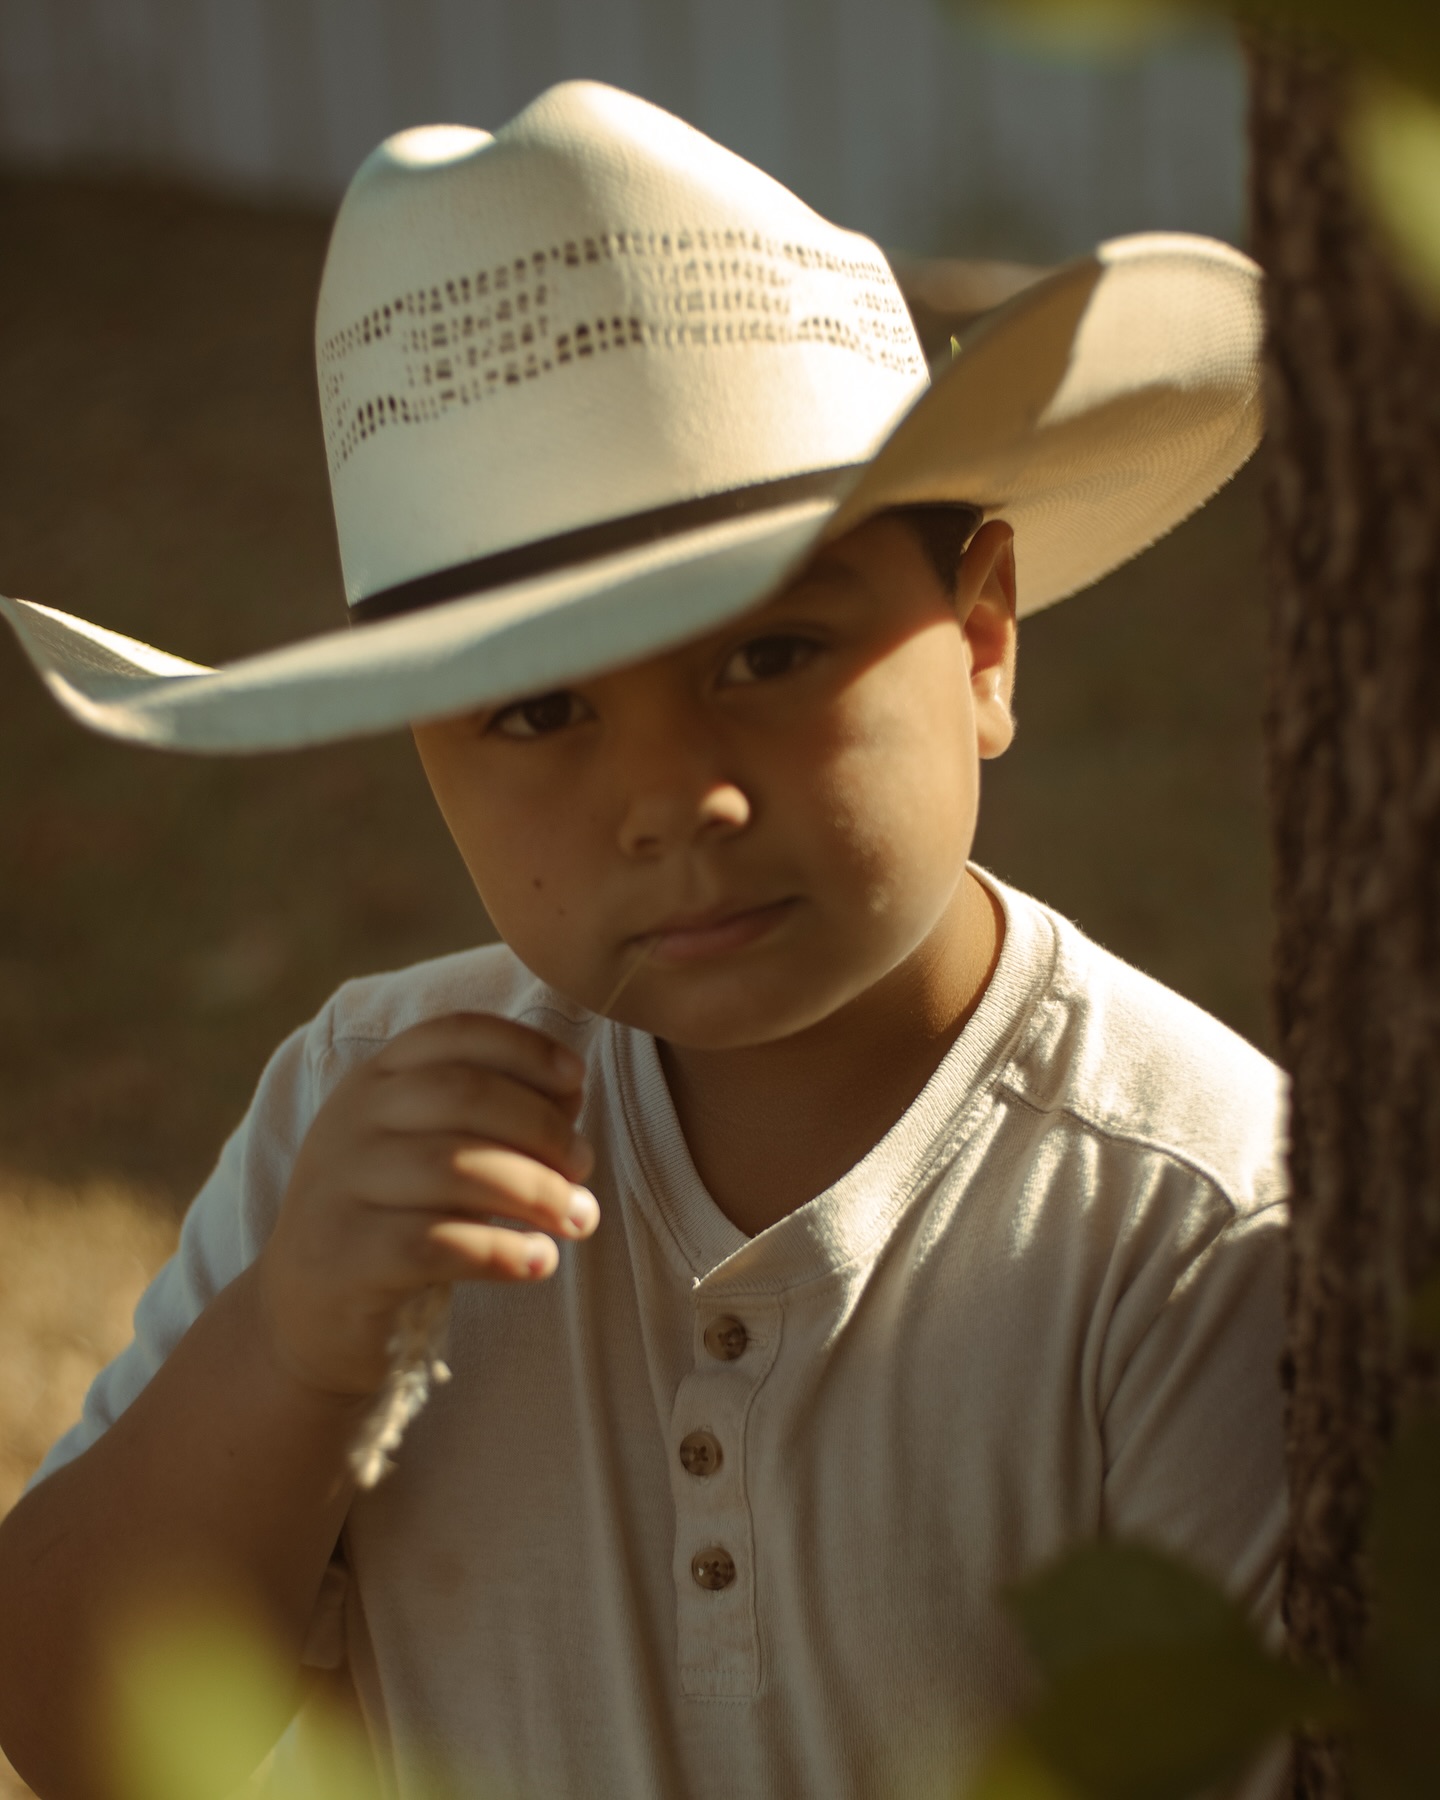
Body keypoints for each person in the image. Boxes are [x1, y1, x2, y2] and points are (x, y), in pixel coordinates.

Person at [0, 80, 1286, 1800]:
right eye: (537, 713)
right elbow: (83, 1737)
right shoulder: (359, 1123)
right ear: (425, 754)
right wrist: (295, 1345)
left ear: (982, 639)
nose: (673, 800)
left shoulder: (1193, 1221)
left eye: (767, 658)